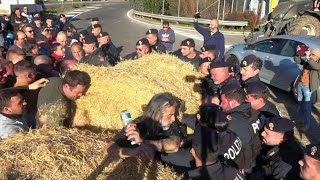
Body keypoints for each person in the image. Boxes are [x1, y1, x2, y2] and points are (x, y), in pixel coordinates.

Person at [103, 93, 192, 173]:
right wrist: (134, 151)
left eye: (174, 114)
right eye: (170, 115)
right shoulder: (139, 123)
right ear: (157, 114)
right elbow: (109, 148)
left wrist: (142, 141)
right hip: (153, 165)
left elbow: (174, 145)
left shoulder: (172, 124)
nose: (173, 119)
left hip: (183, 152)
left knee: (178, 157)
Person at [220, 84, 262, 170]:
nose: (220, 105)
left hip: (243, 165)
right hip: (256, 156)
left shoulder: (233, 122)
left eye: (223, 102)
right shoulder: (254, 112)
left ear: (233, 103)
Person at [294, 47, 320, 131]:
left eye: (313, 55)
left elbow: (315, 66)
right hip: (301, 85)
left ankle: (306, 124)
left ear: (318, 57)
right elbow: (298, 61)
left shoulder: (317, 64)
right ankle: (300, 120)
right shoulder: (309, 61)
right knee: (300, 104)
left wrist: (309, 57)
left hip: (308, 88)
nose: (311, 55)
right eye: (311, 54)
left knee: (307, 107)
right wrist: (297, 53)